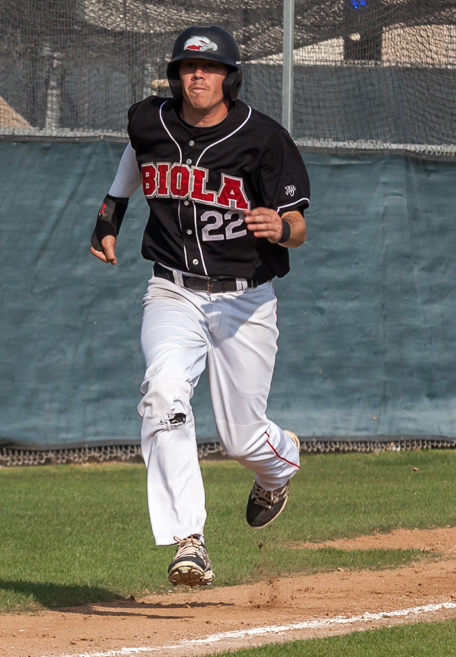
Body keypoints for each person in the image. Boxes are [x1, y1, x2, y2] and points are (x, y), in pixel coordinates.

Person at [89, 25, 310, 587]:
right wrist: (110, 214)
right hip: (173, 289)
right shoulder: (150, 119)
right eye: (188, 67)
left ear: (229, 77)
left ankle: (279, 467)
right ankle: (190, 540)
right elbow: (137, 158)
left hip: (246, 299)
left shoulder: (262, 137)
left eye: (209, 69)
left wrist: (280, 226)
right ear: (175, 74)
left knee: (242, 439)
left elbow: (301, 227)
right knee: (163, 394)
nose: (197, 76)